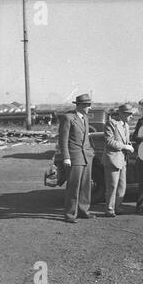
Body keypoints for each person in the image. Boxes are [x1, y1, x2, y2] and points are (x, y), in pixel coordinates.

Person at [59, 93, 95, 223]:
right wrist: (66, 157)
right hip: (74, 157)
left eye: (89, 105)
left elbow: (86, 138)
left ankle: (83, 210)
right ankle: (70, 214)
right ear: (79, 105)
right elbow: (63, 140)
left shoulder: (84, 117)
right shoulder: (68, 118)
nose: (89, 108)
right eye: (87, 105)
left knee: (86, 186)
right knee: (73, 187)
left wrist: (91, 152)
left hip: (86, 157)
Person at [101, 103, 135, 217]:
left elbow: (125, 140)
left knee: (122, 186)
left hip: (123, 160)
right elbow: (109, 141)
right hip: (113, 159)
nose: (131, 117)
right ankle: (109, 209)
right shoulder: (111, 123)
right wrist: (125, 147)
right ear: (122, 114)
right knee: (112, 186)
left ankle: (117, 206)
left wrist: (128, 145)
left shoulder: (126, 125)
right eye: (129, 114)